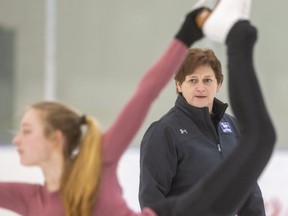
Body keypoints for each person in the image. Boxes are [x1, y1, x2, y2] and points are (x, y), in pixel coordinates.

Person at [0, 0, 276, 216]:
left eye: (26, 130)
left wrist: (187, 33)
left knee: (261, 139)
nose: (17, 140)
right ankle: (235, 31)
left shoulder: (99, 160)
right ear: (180, 85)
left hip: (179, 212)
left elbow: (146, 93)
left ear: (55, 138)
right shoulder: (29, 198)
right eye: (193, 80)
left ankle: (236, 33)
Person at [139, 1, 266, 215]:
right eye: (192, 80)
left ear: (219, 84)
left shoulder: (233, 127)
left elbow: (249, 190)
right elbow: (151, 199)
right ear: (179, 85)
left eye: (207, 80)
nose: (200, 87)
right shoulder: (164, 132)